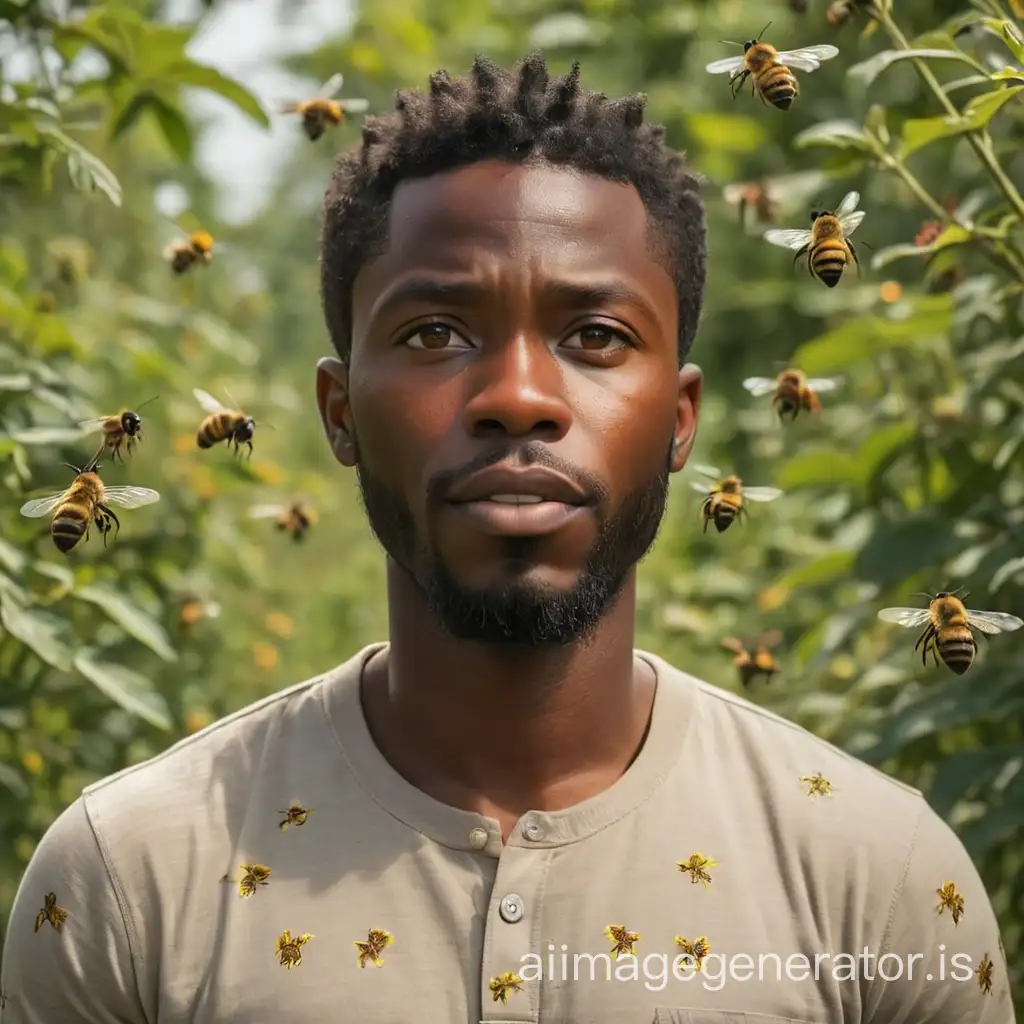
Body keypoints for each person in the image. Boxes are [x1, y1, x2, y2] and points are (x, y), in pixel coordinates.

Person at [0, 53, 1013, 1024]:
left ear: (679, 418)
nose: (518, 398)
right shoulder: (127, 879)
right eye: (435, 332)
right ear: (340, 410)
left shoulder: (876, 877)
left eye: (596, 337)